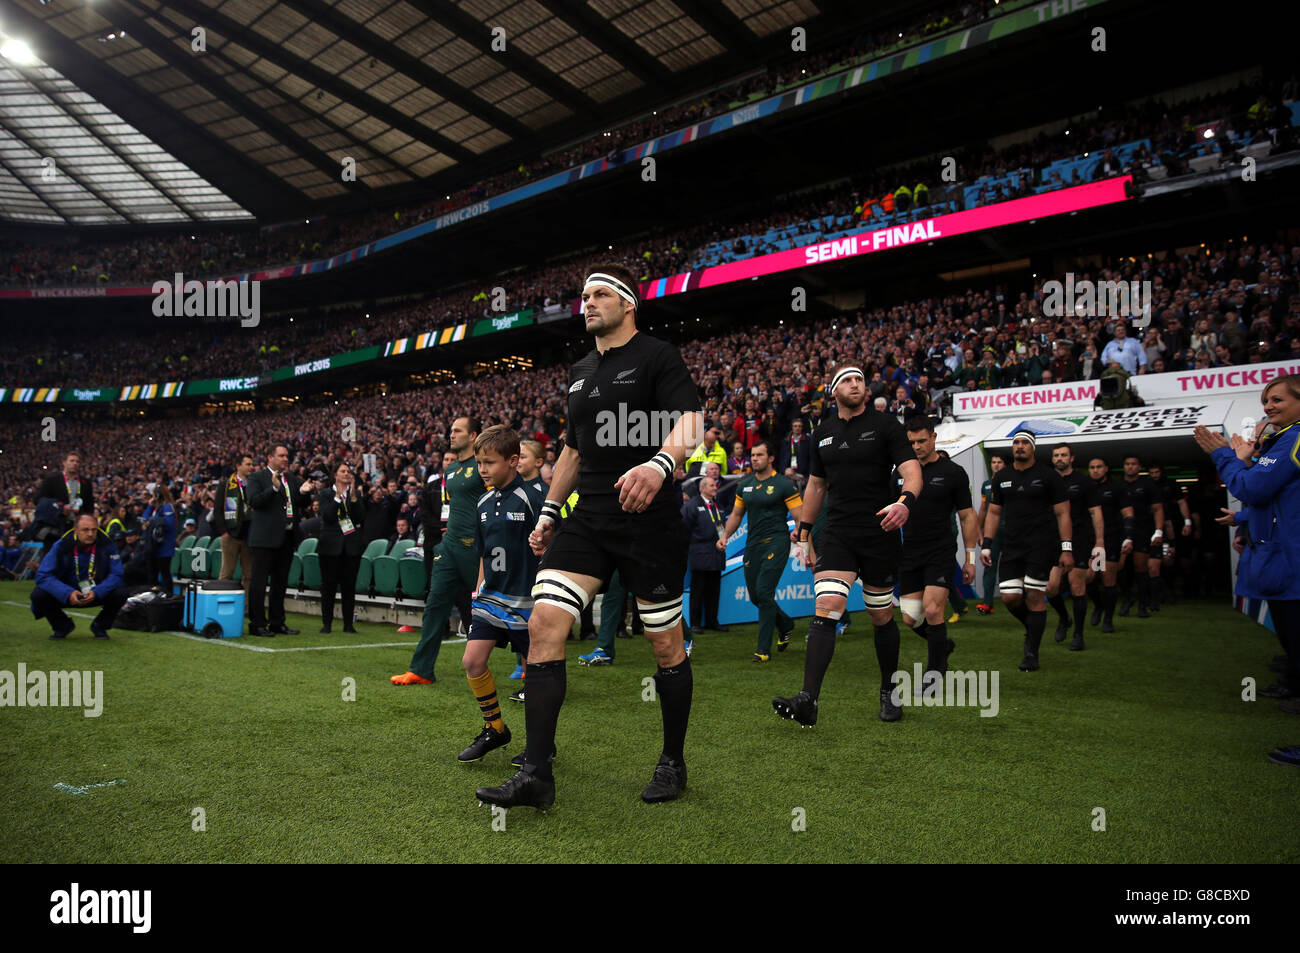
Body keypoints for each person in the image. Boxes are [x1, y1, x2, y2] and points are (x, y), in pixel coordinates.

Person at [476, 264, 702, 810]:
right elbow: (573, 451)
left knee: (665, 643)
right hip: (589, 518)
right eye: (584, 296)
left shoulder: (657, 355)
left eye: (601, 294)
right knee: (544, 624)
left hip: (650, 518)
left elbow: (692, 423)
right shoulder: (579, 370)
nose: (588, 303)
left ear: (629, 305)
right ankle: (536, 774)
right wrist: (551, 509)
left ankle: (673, 761)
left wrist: (659, 464)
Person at [773, 361, 921, 726]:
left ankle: (888, 690)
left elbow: (911, 469)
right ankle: (808, 699)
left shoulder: (886, 426)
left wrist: (906, 502)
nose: (856, 385)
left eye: (860, 380)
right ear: (833, 391)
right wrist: (805, 531)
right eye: (848, 380)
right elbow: (816, 486)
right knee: (828, 606)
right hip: (838, 532)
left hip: (879, 531)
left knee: (880, 615)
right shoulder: (821, 433)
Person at [1194, 374, 1300, 761]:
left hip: (1291, 565)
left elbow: (1254, 488)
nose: (1269, 407)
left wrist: (1227, 457)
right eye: (1265, 401)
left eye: (1277, 400)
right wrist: (1243, 522)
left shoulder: (1293, 439)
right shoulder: (1284, 438)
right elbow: (1278, 500)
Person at [455, 426, 546, 763]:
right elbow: (484, 551)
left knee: (537, 677)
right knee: (472, 661)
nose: (482, 469)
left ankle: (542, 745)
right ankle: (495, 728)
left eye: (489, 463)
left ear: (513, 461)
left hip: (528, 603)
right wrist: (480, 588)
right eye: (479, 463)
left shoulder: (534, 497)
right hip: (491, 598)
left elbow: (554, 543)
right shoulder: (481, 502)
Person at [392, 417, 483, 685]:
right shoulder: (451, 469)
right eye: (451, 430)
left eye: (457, 431)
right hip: (449, 547)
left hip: (475, 547)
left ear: (473, 435)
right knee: (434, 606)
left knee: (496, 604)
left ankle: (526, 666)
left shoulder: (484, 466)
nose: (451, 434)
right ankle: (421, 670)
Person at [980, 431, 1073, 671]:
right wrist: (988, 543)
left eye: (1024, 443)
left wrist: (1066, 548)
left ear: (1033, 447)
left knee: (1033, 594)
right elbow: (994, 512)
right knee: (1010, 599)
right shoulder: (1002, 477)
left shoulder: (1048, 476)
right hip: (1012, 545)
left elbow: (1063, 513)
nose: (1019, 447)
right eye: (1016, 443)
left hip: (1041, 545)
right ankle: (1033, 628)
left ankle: (1031, 653)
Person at [897, 417, 979, 684]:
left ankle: (935, 673)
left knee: (933, 611)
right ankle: (942, 645)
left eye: (922, 441)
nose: (917, 446)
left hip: (940, 549)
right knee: (910, 618)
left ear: (933, 438)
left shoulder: (953, 472)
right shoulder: (899, 473)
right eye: (911, 443)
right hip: (909, 551)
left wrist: (970, 558)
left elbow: (967, 516)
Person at [718, 439, 802, 662]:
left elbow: (799, 515)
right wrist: (725, 536)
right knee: (756, 596)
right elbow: (736, 515)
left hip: (777, 541)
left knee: (764, 592)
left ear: (771, 458)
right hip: (752, 544)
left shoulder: (783, 484)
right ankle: (785, 624)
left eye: (759, 455)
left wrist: (800, 533)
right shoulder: (744, 485)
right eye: (752, 455)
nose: (754, 458)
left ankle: (763, 650)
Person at [245, 445, 320, 637]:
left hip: (286, 538)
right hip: (263, 539)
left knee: (280, 583)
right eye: (281, 456)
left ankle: (278, 623)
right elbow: (253, 501)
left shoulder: (292, 479)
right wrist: (273, 488)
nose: (286, 459)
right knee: (259, 583)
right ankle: (258, 624)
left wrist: (304, 492)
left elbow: (301, 504)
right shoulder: (257, 478)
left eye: (287, 456)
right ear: (270, 457)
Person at [1045, 443, 1105, 651]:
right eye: (1056, 455)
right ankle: (1064, 618)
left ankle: (1078, 635)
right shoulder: (1047, 481)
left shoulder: (1084, 482)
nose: (1059, 458)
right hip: (1053, 541)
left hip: (1080, 539)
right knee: (1050, 587)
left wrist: (1099, 543)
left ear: (1071, 458)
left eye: (1063, 455)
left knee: (1077, 585)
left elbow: (1095, 512)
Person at [31, 514, 125, 640]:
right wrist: (67, 592)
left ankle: (100, 626)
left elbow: (117, 574)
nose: (90, 534)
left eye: (94, 530)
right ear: (76, 531)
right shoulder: (61, 545)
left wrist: (97, 592)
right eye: (85, 530)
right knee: (38, 595)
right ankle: (62, 626)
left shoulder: (107, 545)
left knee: (121, 592)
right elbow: (43, 575)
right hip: (66, 594)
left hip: (95, 592)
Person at [1086, 456, 1135, 633]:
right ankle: (1098, 605)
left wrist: (1128, 537)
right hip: (1089, 539)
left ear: (1106, 468)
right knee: (1088, 579)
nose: (1095, 470)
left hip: (1111, 538)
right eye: (1092, 467)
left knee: (1108, 579)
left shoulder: (1117, 487)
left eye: (1099, 466)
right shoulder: (1086, 487)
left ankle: (1108, 619)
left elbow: (1128, 513)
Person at [317, 462, 365, 634]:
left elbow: (360, 517)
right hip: (330, 546)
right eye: (342, 471)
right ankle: (327, 623)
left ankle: (348, 624)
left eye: (348, 471)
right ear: (335, 475)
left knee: (349, 587)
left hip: (350, 546)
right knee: (328, 586)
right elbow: (328, 516)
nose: (346, 474)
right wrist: (338, 498)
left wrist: (352, 499)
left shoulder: (355, 494)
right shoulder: (325, 494)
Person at [1118, 454, 1165, 618]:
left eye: (1133, 464)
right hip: (1121, 531)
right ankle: (1126, 600)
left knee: (1141, 569)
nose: (1130, 467)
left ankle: (1142, 604)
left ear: (1139, 467)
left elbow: (1158, 509)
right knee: (1121, 568)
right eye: (1127, 464)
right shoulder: (1118, 484)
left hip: (1142, 530)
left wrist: (1158, 531)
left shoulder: (1148, 484)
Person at [682, 476, 726, 646]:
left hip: (716, 553)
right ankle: (695, 623)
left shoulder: (718, 505)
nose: (715, 487)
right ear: (703, 488)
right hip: (700, 553)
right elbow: (684, 527)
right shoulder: (693, 505)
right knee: (698, 589)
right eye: (712, 485)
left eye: (715, 485)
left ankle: (712, 621)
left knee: (714, 589)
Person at [1147, 462, 1193, 610]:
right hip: (1149, 528)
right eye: (1151, 473)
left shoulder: (1170, 485)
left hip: (1169, 526)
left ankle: (1170, 591)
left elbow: (1181, 503)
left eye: (1156, 472)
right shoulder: (1147, 486)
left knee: (1168, 560)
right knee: (1151, 564)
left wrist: (1187, 522)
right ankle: (1158, 594)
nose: (1154, 475)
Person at [36, 450, 94, 553]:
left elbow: (89, 505)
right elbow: (39, 500)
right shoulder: (52, 480)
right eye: (72, 461)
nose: (75, 464)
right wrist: (60, 508)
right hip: (55, 528)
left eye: (77, 461)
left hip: (76, 527)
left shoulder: (85, 483)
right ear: (64, 462)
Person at [216, 452, 254, 602]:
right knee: (227, 573)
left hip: (249, 535)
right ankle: (221, 602)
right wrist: (224, 532)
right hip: (231, 534)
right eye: (248, 464)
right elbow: (218, 510)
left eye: (252, 464)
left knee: (249, 575)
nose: (251, 467)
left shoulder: (254, 484)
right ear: (238, 466)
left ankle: (246, 608)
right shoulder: (226, 485)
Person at [975, 453, 1008, 614]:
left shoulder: (1010, 481)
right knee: (989, 566)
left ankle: (1020, 600)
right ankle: (987, 603)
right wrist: (979, 532)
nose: (996, 465)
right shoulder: (986, 485)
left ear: (1005, 465)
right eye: (993, 462)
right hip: (991, 532)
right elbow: (983, 510)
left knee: (1013, 566)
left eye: (999, 462)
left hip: (1010, 530)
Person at [141, 485, 178, 593]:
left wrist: (151, 522)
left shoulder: (167, 507)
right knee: (152, 575)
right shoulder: (156, 509)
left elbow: (168, 524)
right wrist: (150, 507)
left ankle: (168, 595)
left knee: (165, 572)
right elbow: (144, 520)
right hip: (153, 547)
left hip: (164, 547)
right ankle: (153, 595)